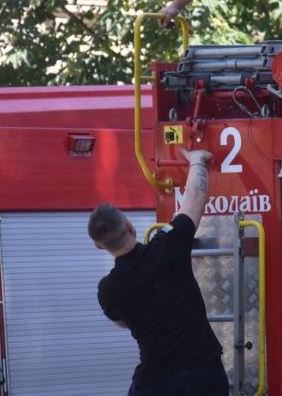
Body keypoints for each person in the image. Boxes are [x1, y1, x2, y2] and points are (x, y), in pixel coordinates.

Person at [88, 148, 228, 396]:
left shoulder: (108, 290)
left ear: (98, 245)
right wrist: (197, 159)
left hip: (156, 383)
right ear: (130, 227)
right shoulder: (168, 247)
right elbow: (195, 197)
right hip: (204, 374)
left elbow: (122, 323)